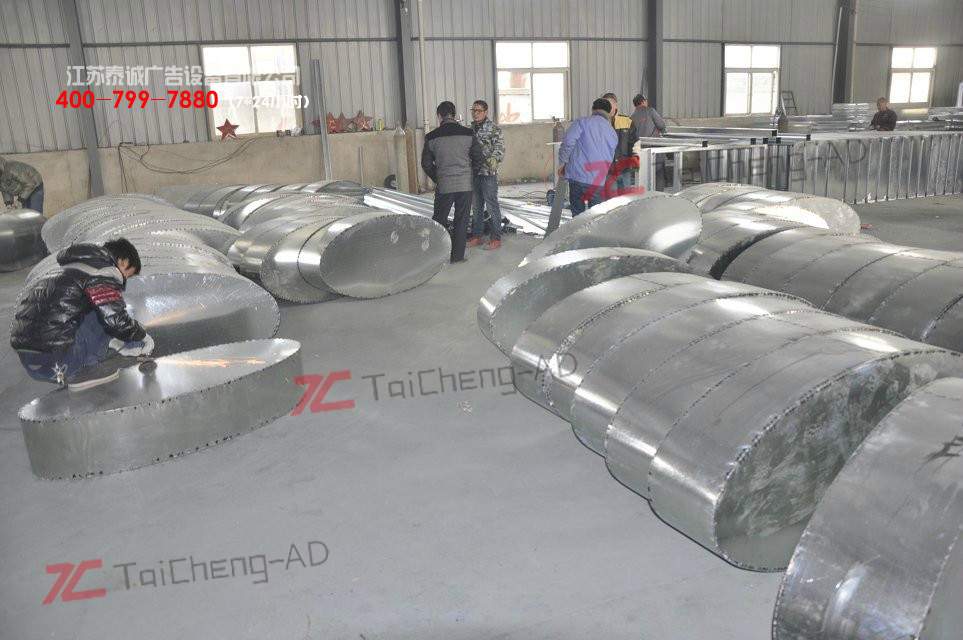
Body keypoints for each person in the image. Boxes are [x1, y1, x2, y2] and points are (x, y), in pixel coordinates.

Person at [10, 238, 155, 390]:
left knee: (94, 307)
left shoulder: (63, 271)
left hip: (32, 364)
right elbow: (114, 319)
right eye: (128, 275)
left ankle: (82, 361)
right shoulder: (101, 273)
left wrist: (111, 340)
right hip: (59, 361)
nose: (125, 280)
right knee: (105, 311)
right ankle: (87, 369)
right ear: (124, 262)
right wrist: (141, 336)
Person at [422, 101, 484, 263]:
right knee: (461, 221)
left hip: (444, 186)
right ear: (454, 115)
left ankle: (435, 257)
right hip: (465, 186)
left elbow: (426, 164)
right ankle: (457, 256)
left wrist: (438, 178)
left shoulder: (431, 137)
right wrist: (470, 176)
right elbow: (479, 158)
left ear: (439, 116)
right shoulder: (468, 133)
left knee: (439, 220)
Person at [557, 98, 618, 215]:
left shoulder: (582, 122)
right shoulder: (612, 132)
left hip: (577, 177)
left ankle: (578, 228)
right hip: (598, 181)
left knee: (577, 217)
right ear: (609, 112)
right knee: (596, 218)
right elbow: (611, 157)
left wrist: (562, 163)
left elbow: (568, 142)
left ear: (593, 109)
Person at [466, 99, 506, 251]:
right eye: (473, 111)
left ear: (486, 112)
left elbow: (500, 148)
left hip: (488, 172)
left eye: (479, 111)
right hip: (473, 173)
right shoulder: (469, 129)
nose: (475, 114)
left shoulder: (494, 129)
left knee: (491, 206)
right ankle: (477, 236)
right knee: (476, 207)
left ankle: (496, 238)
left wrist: (495, 159)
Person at [629, 94, 668, 190]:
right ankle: (659, 194)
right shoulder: (650, 111)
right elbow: (661, 125)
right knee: (658, 172)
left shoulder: (632, 117)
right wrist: (663, 130)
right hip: (654, 148)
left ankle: (645, 194)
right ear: (643, 102)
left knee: (643, 173)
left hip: (640, 150)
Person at [601, 92, 636, 194]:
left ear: (616, 105)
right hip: (607, 170)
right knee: (611, 200)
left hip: (624, 169)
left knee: (626, 198)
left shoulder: (627, 121)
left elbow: (634, 142)